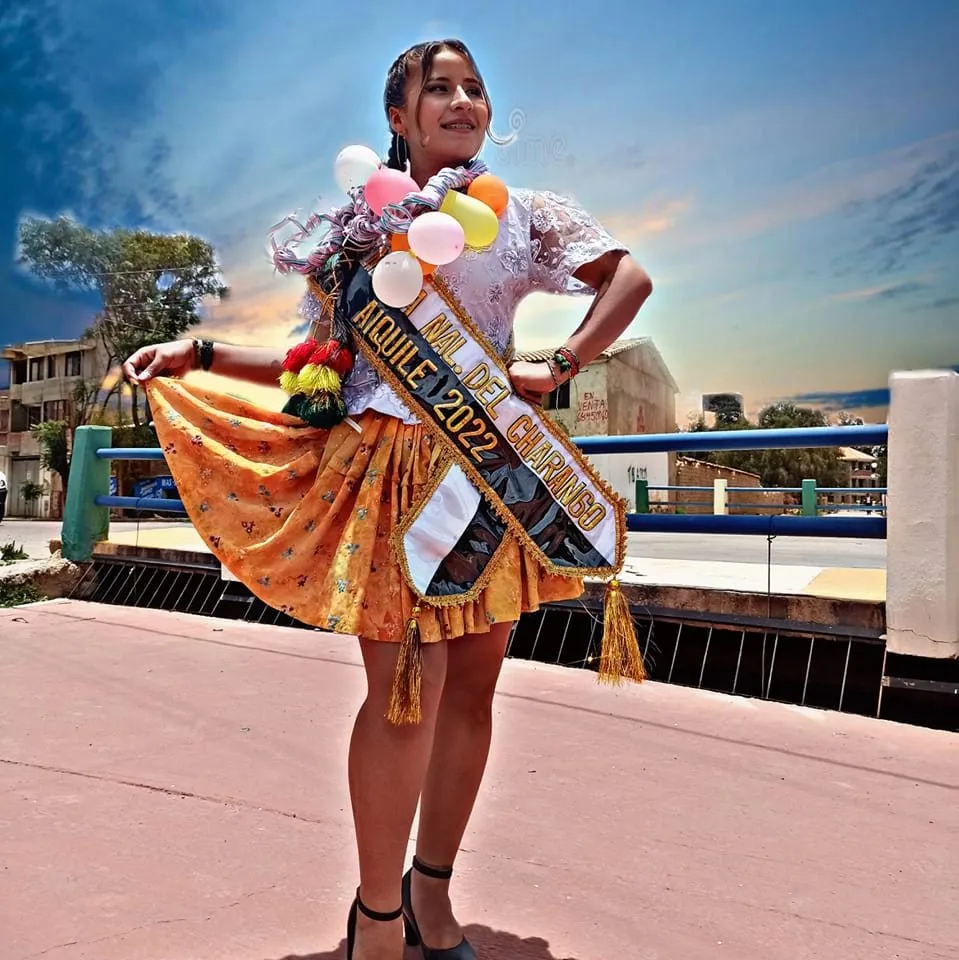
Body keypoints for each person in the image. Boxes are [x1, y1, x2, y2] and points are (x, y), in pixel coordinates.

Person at [123, 38, 653, 960]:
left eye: (474, 88)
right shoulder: (352, 236)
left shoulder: (524, 212)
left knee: (474, 693)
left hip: (490, 469)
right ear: (398, 119)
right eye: (436, 89)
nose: (461, 101)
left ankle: (432, 893)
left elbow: (629, 279)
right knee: (405, 691)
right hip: (391, 473)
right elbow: (312, 361)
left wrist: (561, 362)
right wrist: (199, 353)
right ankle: (376, 915)